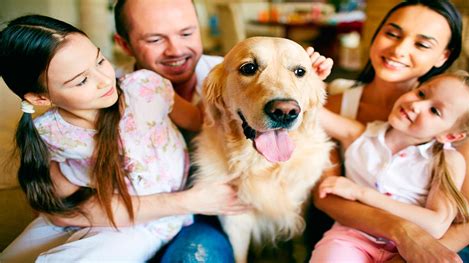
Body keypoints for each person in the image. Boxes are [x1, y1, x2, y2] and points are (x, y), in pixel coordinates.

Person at [0, 14, 249, 262]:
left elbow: (201, 121)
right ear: (41, 99)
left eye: (99, 61)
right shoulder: (50, 134)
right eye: (82, 80)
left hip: (146, 224)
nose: (104, 80)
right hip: (98, 217)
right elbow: (65, 211)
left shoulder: (146, 88)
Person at [113, 0, 334, 261]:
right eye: (154, 39)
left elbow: (324, 119)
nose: (175, 49)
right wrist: (188, 202)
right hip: (155, 220)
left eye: (186, 33)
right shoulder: (108, 96)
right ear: (124, 45)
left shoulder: (225, 65)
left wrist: (305, 77)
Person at [307, 0, 469, 262]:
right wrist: (307, 79)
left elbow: (468, 220)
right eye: (392, 34)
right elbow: (325, 196)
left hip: (440, 246)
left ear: (443, 56)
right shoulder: (344, 112)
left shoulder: (457, 117)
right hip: (354, 237)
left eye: (421, 44)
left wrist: (408, 254)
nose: (399, 49)